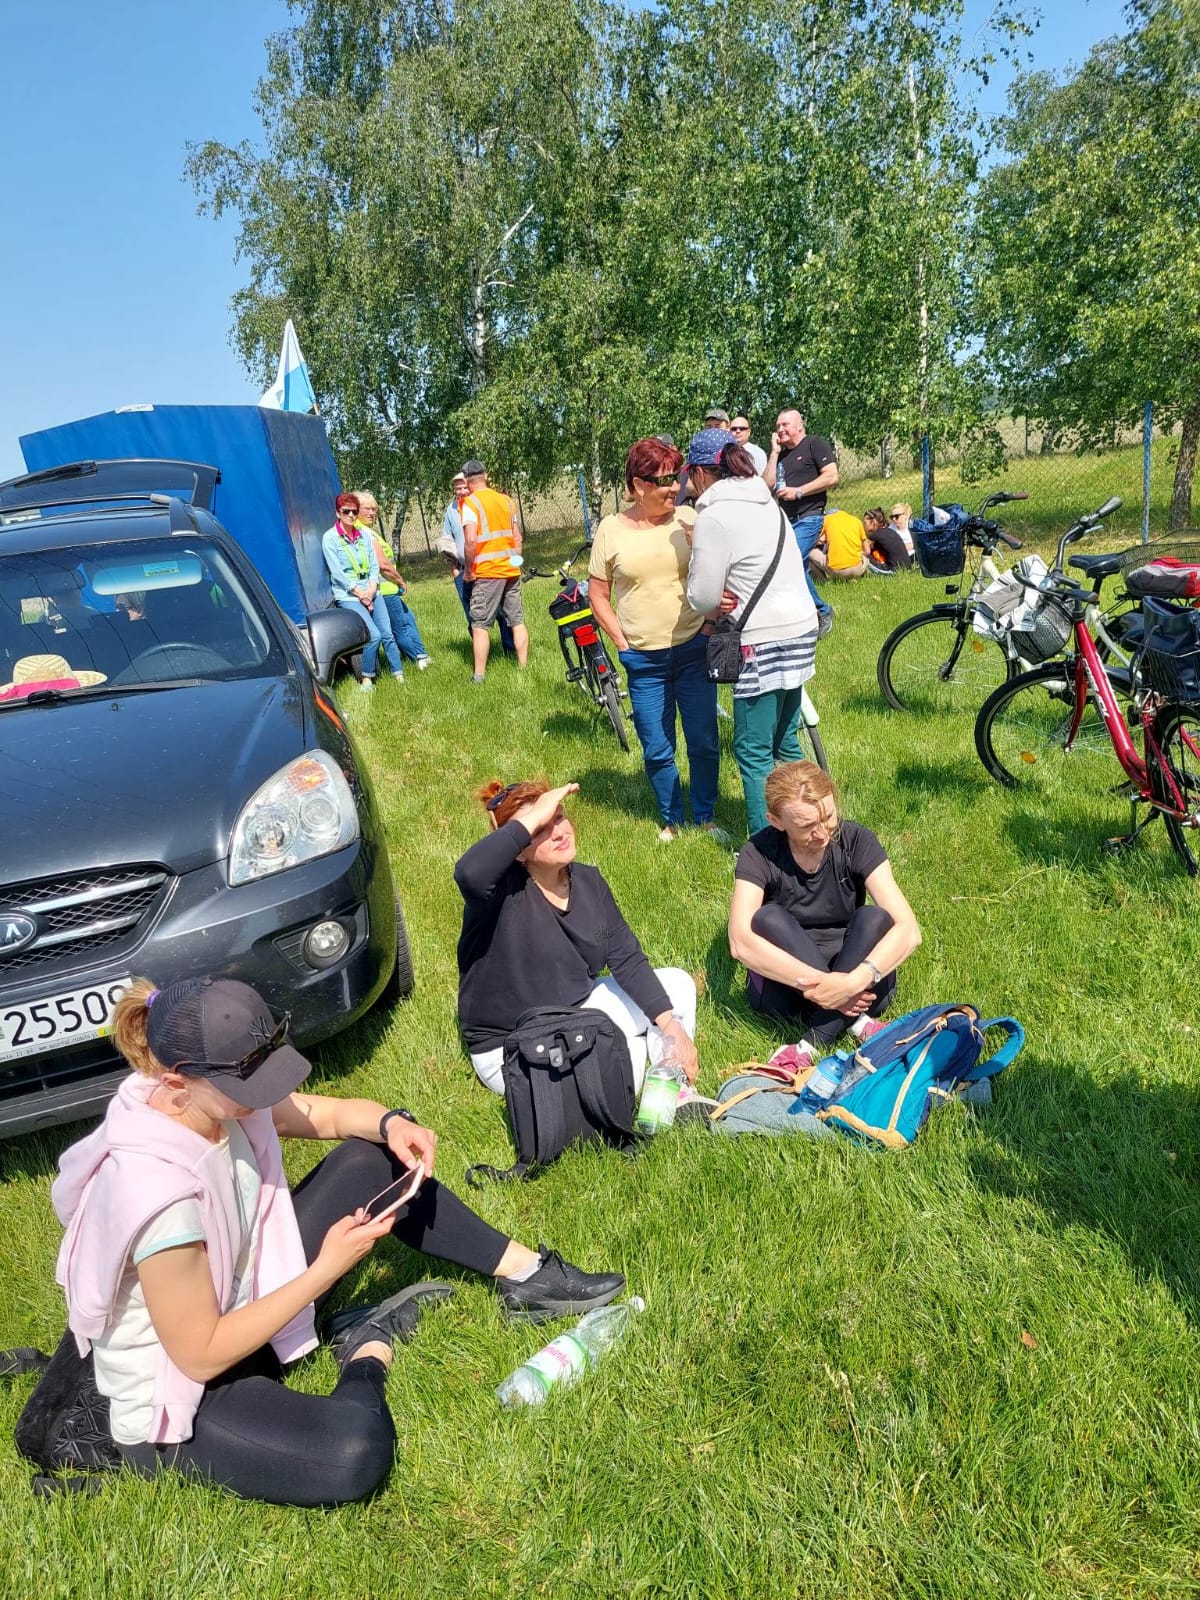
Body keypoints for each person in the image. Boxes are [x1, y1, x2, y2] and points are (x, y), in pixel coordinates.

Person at [49, 975, 625, 1507]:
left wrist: (392, 1124)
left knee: (369, 1160)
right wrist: (326, 1269)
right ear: (178, 1080)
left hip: (241, 1298)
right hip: (184, 1397)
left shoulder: (209, 1096)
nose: (262, 1095)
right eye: (247, 1085)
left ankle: (527, 1277)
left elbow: (325, 1115)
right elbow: (200, 1354)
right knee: (353, 1454)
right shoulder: (157, 1196)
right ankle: (367, 1348)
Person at [456, 780, 698, 1093]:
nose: (558, 832)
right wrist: (535, 815)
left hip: (578, 1011)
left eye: (559, 817)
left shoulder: (588, 882)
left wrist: (671, 1026)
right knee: (629, 1060)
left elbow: (626, 957)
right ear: (517, 851)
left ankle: (676, 1090)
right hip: (517, 1044)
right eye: (540, 829)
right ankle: (644, 1070)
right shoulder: (499, 893)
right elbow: (469, 873)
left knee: (677, 986)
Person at [728, 762, 921, 1065]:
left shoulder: (856, 840)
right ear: (776, 821)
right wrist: (827, 988)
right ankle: (858, 1022)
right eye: (806, 826)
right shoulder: (758, 852)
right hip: (788, 987)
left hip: (860, 976)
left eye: (828, 817)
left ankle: (809, 1045)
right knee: (767, 918)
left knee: (874, 917)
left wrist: (851, 983)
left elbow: (908, 930)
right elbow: (740, 943)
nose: (821, 833)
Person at [588, 438, 724, 844]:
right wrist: (622, 644)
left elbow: (715, 574)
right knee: (657, 747)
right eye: (663, 481)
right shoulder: (610, 530)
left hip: (694, 649)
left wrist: (709, 627)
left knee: (703, 740)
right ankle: (671, 819)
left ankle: (705, 816)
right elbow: (598, 595)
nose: (673, 488)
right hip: (644, 661)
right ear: (638, 485)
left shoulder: (689, 519)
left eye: (676, 478)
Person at [684, 430, 819, 836]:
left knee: (753, 750)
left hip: (761, 639)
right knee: (786, 743)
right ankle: (810, 829)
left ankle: (768, 848)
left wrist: (713, 591)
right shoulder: (767, 503)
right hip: (800, 630)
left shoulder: (714, 516)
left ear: (701, 473)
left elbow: (702, 597)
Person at [762, 410, 838, 636]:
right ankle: (802, 615)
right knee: (796, 566)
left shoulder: (814, 444)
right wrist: (774, 453)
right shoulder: (781, 456)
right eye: (777, 426)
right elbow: (767, 485)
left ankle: (822, 611)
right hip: (786, 521)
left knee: (791, 562)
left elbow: (832, 476)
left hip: (809, 517)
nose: (780, 429)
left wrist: (799, 491)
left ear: (799, 426)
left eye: (785, 424)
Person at [321, 492, 405, 693]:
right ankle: (367, 678)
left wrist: (372, 588)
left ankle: (399, 676)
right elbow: (337, 573)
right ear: (338, 513)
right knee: (373, 635)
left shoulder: (365, 535)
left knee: (387, 634)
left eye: (354, 511)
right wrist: (360, 594)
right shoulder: (330, 538)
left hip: (371, 588)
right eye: (346, 511)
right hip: (349, 595)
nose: (351, 515)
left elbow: (374, 565)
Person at [460, 460, 528, 682]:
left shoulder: (470, 503)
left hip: (488, 572)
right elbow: (517, 538)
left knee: (479, 625)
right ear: (486, 476)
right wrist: (515, 563)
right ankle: (523, 668)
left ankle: (478, 676)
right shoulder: (506, 500)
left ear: (466, 481)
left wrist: (468, 571)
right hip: (511, 570)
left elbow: (471, 540)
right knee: (516, 621)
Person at [438, 472, 515, 654]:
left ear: (471, 485)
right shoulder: (451, 510)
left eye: (464, 487)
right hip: (463, 572)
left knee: (501, 612)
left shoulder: (478, 504)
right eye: (458, 488)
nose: (462, 491)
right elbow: (446, 539)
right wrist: (455, 570)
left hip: (487, 569)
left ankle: (510, 650)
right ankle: (482, 653)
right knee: (472, 615)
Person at [355, 491, 432, 668]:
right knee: (401, 627)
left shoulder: (364, 530)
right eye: (367, 509)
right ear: (356, 510)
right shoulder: (364, 533)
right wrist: (400, 581)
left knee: (408, 619)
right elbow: (383, 564)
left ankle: (420, 654)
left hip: (387, 587)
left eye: (374, 509)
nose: (372, 513)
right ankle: (419, 659)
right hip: (385, 588)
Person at [809, 506, 871, 581]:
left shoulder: (826, 520)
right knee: (864, 558)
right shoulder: (856, 521)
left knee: (808, 551)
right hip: (858, 569)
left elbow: (815, 540)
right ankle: (856, 578)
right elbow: (867, 551)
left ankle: (823, 581)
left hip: (837, 572)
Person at [862, 505, 911, 573]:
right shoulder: (890, 531)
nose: (863, 525)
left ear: (873, 522)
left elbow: (866, 551)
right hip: (907, 568)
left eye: (865, 522)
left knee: (861, 555)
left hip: (893, 571)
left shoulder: (874, 536)